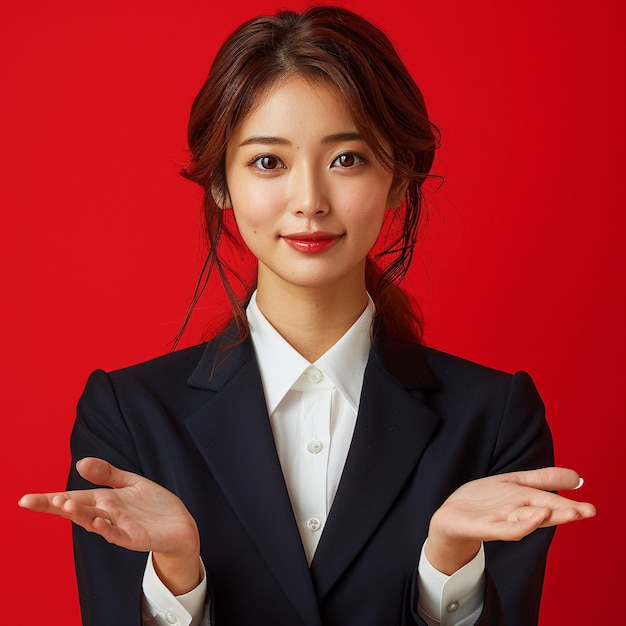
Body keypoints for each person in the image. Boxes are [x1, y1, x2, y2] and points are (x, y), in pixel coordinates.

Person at [19, 6, 595, 626]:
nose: (310, 202)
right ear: (220, 184)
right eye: (269, 161)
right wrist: (177, 577)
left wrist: (447, 571)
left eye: (346, 159)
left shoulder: (494, 418)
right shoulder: (130, 418)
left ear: (398, 178)